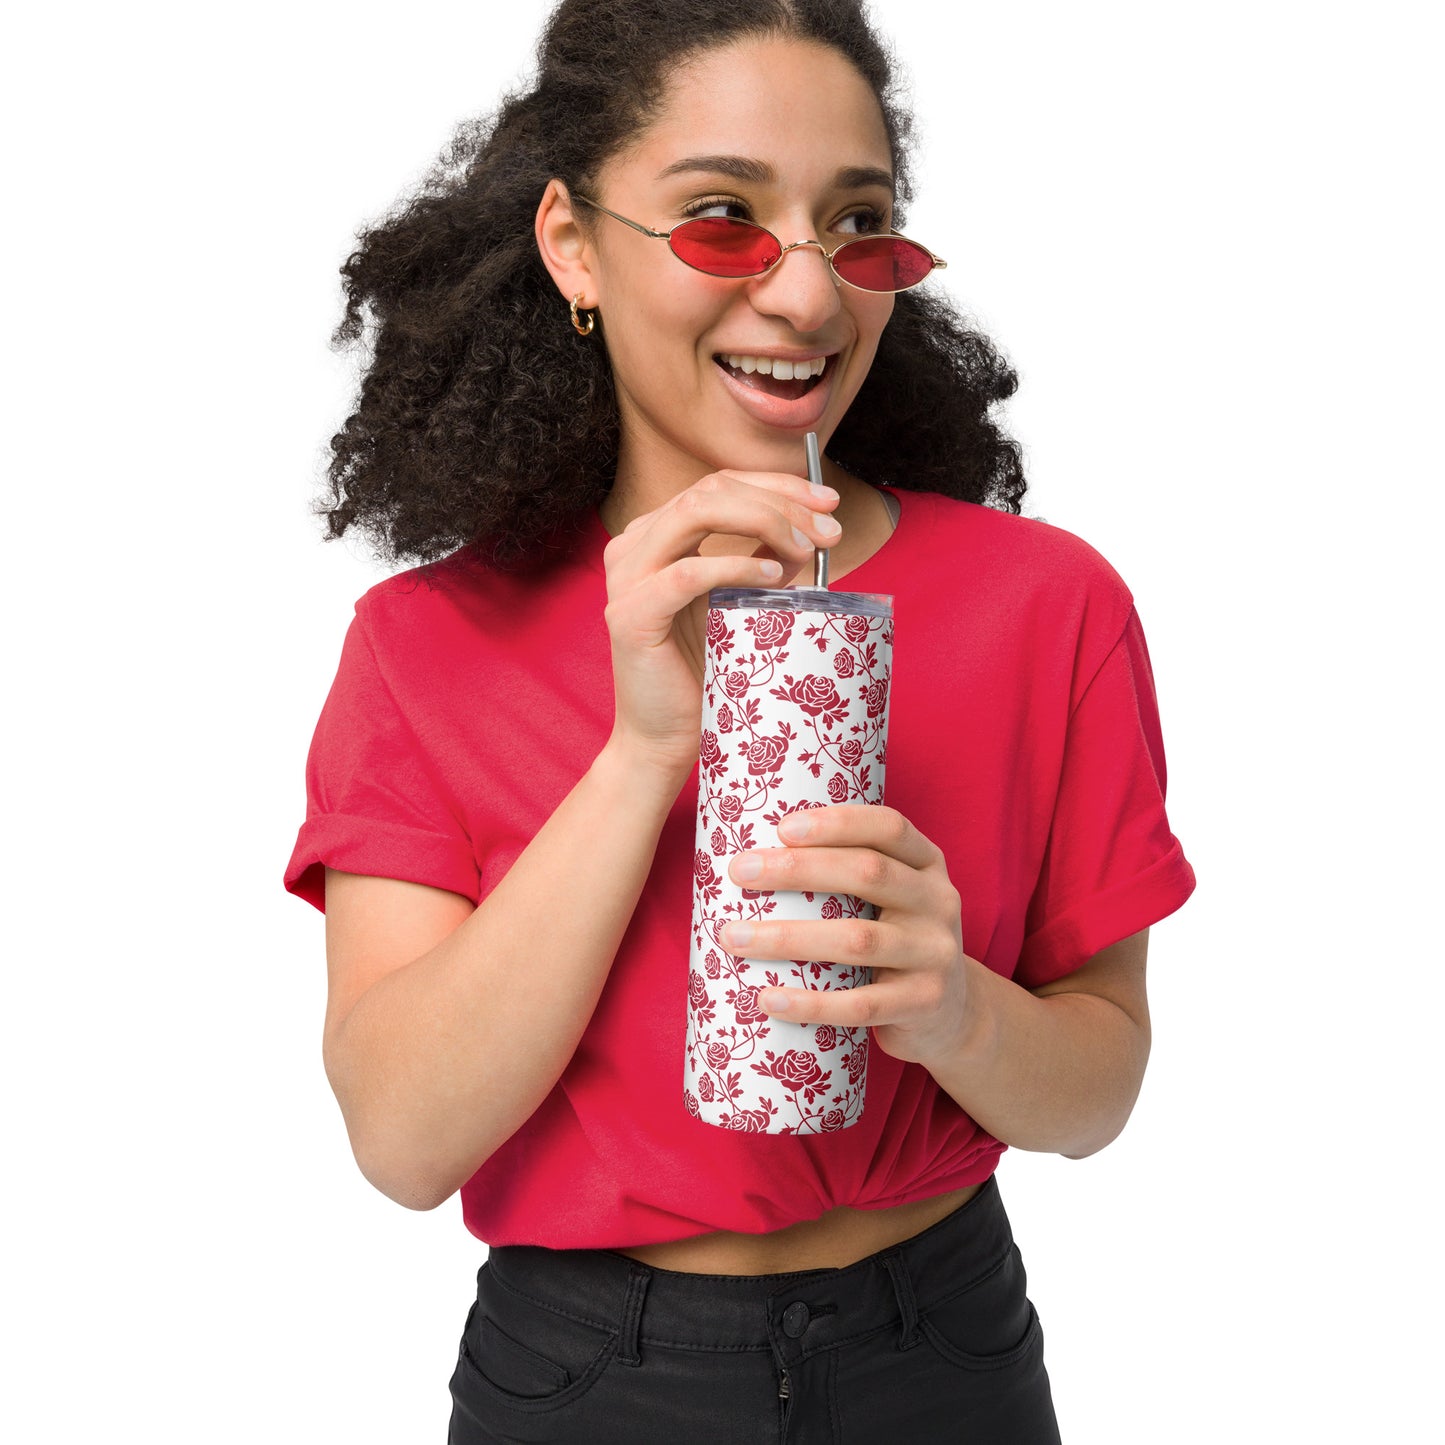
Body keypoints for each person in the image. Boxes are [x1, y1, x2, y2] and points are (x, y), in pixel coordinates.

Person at [283, 0, 1197, 1439]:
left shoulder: (1047, 604)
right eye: (722, 219)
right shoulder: (424, 645)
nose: (808, 297)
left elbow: (1097, 1091)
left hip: (942, 1343)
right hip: (588, 1368)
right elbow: (402, 1140)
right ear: (574, 245)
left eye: (856, 226)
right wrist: (646, 750)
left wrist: (956, 1006)